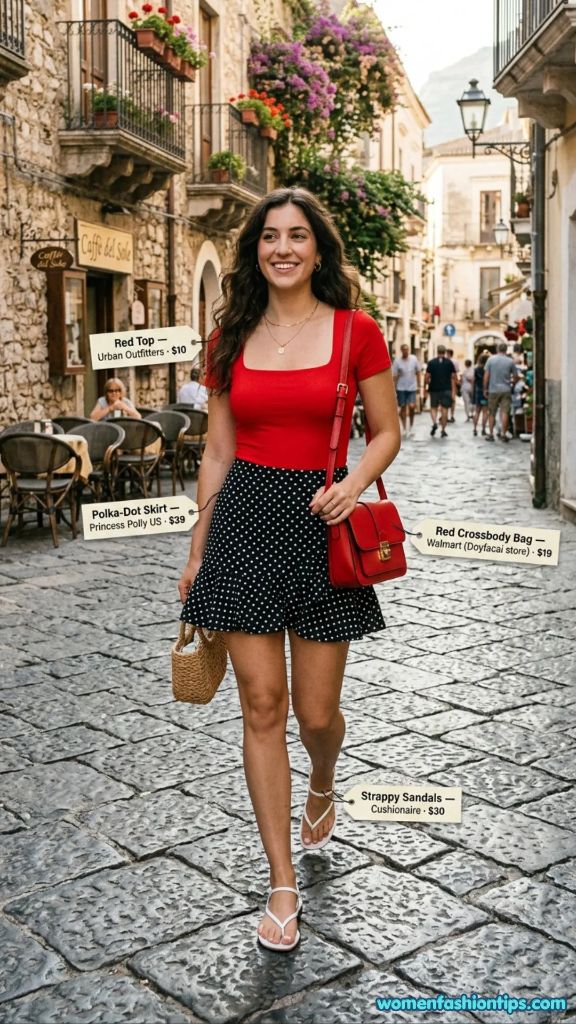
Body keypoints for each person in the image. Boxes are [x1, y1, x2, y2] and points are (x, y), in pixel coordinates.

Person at [178, 187, 400, 953]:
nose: (282, 248)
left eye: (297, 236)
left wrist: (350, 483)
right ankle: (280, 883)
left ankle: (325, 778)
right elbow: (217, 449)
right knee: (261, 707)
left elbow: (387, 430)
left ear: (318, 249)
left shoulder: (355, 332)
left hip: (320, 521)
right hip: (243, 523)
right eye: (269, 236)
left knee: (314, 715)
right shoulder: (230, 334)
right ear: (254, 249)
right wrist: (198, 547)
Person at [483, 342, 519, 442]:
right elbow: (516, 377)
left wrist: (485, 389)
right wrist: (512, 383)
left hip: (493, 389)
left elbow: (486, 376)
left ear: (497, 349)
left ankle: (490, 434)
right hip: (506, 389)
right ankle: (503, 434)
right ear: (506, 350)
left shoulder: (490, 360)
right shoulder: (510, 361)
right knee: (505, 412)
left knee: (492, 412)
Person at [425, 344, 457, 438]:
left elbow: (427, 377)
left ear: (437, 351)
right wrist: (453, 390)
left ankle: (435, 422)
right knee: (445, 409)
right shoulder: (449, 362)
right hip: (446, 389)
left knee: (433, 407)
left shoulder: (431, 362)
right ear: (445, 352)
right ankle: (443, 430)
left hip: (434, 389)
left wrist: (427, 385)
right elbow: (454, 377)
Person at [392, 343, 421, 440]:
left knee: (412, 407)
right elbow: (394, 376)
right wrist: (394, 388)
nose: (406, 351)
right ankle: (404, 427)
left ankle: (411, 426)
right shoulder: (397, 361)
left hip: (412, 387)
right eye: (404, 350)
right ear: (401, 351)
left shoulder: (414, 359)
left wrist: (419, 386)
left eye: (407, 349)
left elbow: (418, 372)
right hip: (401, 387)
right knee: (403, 408)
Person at [472, 352, 490, 436]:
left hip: (478, 392)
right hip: (486, 392)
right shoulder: (488, 369)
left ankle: (475, 429)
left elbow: (473, 381)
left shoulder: (476, 369)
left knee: (477, 411)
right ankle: (483, 429)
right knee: (485, 412)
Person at [445, 348, 460, 423]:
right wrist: (457, 382)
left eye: (446, 353)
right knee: (452, 399)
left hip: (448, 381)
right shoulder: (455, 362)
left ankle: (447, 415)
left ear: (448, 354)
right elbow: (456, 373)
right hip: (452, 381)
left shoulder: (445, 361)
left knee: (447, 398)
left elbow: (455, 374)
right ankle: (451, 415)